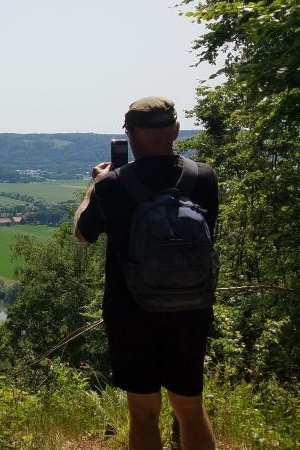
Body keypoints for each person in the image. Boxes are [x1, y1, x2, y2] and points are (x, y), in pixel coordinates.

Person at [74, 96, 219, 450]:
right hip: (191, 307)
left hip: (131, 312)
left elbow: (82, 235)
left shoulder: (113, 186)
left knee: (142, 411)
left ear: (130, 135)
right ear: (176, 131)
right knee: (190, 407)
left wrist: (95, 184)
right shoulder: (203, 177)